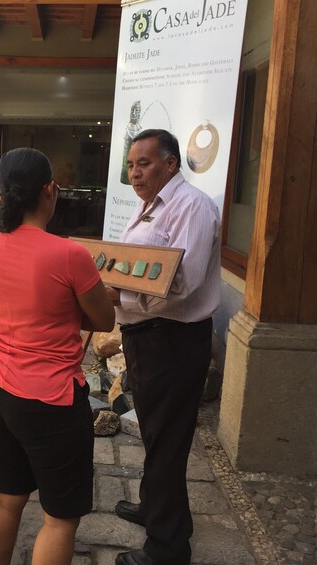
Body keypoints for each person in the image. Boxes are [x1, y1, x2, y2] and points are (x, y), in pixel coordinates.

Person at [0, 147, 115, 565]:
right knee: (60, 519)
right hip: (50, 398)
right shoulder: (70, 255)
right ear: (50, 191)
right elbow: (104, 320)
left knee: (5, 496)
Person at [109, 129, 220, 565]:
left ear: (171, 164)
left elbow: (181, 284)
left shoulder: (191, 207)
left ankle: (167, 548)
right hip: (147, 339)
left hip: (172, 340)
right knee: (156, 434)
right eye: (132, 165)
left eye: (145, 163)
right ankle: (156, 509)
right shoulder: (149, 206)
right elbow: (132, 265)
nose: (135, 173)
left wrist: (118, 298)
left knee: (168, 441)